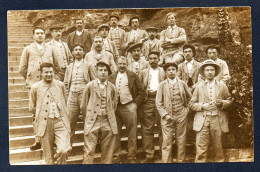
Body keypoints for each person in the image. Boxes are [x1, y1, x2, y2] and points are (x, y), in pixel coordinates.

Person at [19, 27, 60, 151]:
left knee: (50, 110)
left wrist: (51, 78)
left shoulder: (51, 48)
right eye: (37, 33)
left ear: (45, 36)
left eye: (42, 33)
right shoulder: (28, 49)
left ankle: (50, 139)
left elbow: (57, 66)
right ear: (33, 36)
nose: (40, 35)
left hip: (49, 84)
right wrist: (30, 78)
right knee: (35, 112)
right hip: (34, 85)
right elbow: (22, 68)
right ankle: (38, 139)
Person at [189, 59, 232, 162]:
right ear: (203, 72)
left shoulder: (222, 86)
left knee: (218, 147)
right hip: (202, 120)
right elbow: (191, 104)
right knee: (201, 148)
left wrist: (221, 103)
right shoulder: (199, 87)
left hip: (217, 119)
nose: (209, 72)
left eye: (212, 70)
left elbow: (229, 100)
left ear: (215, 72)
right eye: (207, 70)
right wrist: (203, 106)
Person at [29, 63, 71, 164]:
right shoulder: (35, 87)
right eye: (46, 72)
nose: (49, 74)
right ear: (41, 73)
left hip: (60, 122)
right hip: (45, 124)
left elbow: (65, 101)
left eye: (51, 72)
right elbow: (32, 107)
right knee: (49, 157)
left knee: (63, 150)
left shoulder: (60, 85)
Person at [108, 56, 146, 163]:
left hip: (129, 106)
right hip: (115, 108)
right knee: (115, 132)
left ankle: (131, 156)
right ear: (117, 64)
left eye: (124, 63)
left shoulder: (133, 76)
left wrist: (135, 104)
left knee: (132, 133)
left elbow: (142, 93)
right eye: (120, 63)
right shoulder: (111, 77)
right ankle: (116, 157)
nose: (122, 66)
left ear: (127, 64)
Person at [81, 61, 118, 164]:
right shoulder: (89, 86)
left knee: (108, 151)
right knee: (89, 150)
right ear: (96, 72)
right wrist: (89, 116)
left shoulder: (112, 87)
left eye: (105, 70)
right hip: (93, 120)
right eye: (100, 70)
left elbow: (114, 105)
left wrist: (108, 113)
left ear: (108, 73)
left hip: (107, 120)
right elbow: (83, 105)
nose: (103, 72)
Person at [156, 62, 191, 163]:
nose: (171, 71)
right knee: (167, 141)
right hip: (167, 117)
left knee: (181, 140)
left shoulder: (182, 83)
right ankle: (166, 163)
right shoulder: (162, 85)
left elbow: (190, 98)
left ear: (176, 71)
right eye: (168, 70)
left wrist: (186, 110)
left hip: (181, 115)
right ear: (165, 72)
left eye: (173, 69)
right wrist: (165, 115)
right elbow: (158, 103)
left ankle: (181, 162)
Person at [64, 44, 96, 146]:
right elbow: (65, 83)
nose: (78, 52)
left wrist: (91, 96)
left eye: (80, 50)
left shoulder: (89, 65)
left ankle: (89, 146)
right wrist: (68, 95)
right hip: (72, 95)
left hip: (85, 95)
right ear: (72, 53)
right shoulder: (69, 67)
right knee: (69, 121)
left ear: (83, 52)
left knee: (88, 120)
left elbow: (94, 82)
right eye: (76, 50)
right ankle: (67, 147)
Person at [138, 51, 165, 163]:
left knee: (162, 127)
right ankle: (149, 154)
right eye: (151, 58)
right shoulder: (143, 72)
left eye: (155, 58)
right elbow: (139, 88)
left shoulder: (163, 71)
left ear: (159, 59)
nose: (153, 60)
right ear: (148, 60)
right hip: (148, 100)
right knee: (147, 128)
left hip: (161, 101)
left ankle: (164, 152)